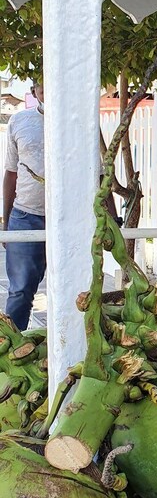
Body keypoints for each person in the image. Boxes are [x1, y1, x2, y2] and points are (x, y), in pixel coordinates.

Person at [3, 79, 46, 330]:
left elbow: (99, 174)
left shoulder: (78, 121)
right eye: (43, 89)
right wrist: (7, 223)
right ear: (34, 92)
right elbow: (10, 173)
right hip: (26, 215)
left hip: (71, 219)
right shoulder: (19, 122)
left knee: (76, 289)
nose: (49, 93)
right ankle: (11, 355)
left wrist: (110, 217)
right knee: (20, 292)